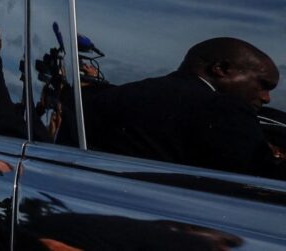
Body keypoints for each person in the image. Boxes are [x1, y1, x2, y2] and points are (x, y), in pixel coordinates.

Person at [85, 37, 284, 179]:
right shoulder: (225, 111)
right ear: (222, 69)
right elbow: (261, 183)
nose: (266, 98)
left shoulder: (116, 95)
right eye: (263, 85)